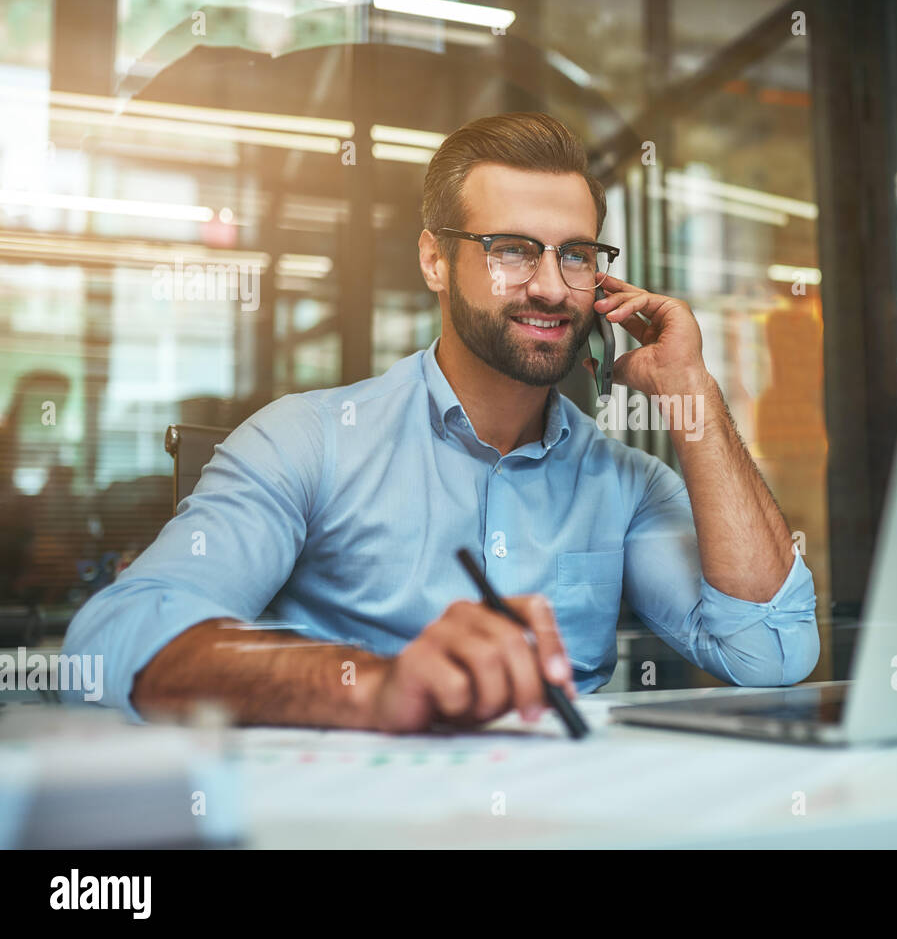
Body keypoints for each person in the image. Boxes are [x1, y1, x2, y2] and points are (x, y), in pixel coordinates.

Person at [61, 112, 818, 732]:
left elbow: (771, 652)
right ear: (433, 260)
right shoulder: (306, 441)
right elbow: (109, 645)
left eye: (577, 256)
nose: (552, 288)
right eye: (512, 251)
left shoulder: (625, 484)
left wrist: (690, 390)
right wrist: (377, 687)